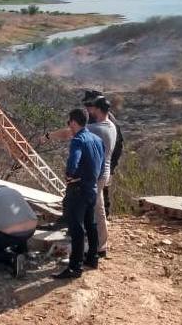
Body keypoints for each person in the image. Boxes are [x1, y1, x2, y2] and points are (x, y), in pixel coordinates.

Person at [53, 108, 104, 279]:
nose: (69, 126)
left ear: (74, 122)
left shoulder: (78, 140)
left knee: (76, 229)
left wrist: (70, 176)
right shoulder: (97, 139)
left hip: (78, 190)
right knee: (91, 225)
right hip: (92, 189)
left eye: (69, 123)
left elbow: (73, 162)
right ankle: (92, 258)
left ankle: (75, 267)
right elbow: (102, 164)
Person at [83, 95, 117, 257]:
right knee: (99, 209)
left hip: (96, 175)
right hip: (104, 173)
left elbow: (72, 132)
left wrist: (49, 136)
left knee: (96, 210)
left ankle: (98, 246)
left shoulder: (95, 129)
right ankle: (99, 244)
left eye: (92, 107)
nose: (90, 110)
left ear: (97, 109)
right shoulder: (111, 125)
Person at [82, 90, 124, 218]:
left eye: (89, 105)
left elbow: (118, 144)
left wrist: (111, 166)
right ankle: (102, 223)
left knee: (99, 195)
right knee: (98, 196)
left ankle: (101, 222)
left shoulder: (106, 121)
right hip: (99, 165)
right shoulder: (94, 118)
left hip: (103, 165)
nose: (87, 108)